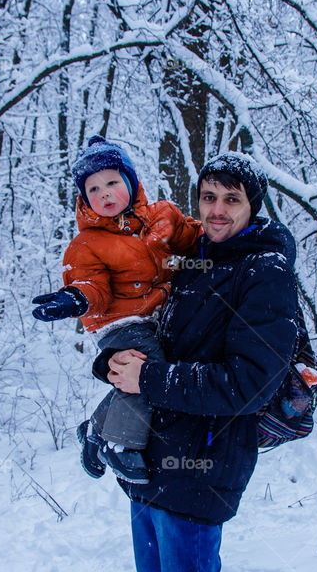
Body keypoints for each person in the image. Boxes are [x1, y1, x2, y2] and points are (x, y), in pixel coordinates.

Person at [98, 151, 299, 572]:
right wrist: (109, 363)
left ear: (253, 207)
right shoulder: (188, 260)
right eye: (208, 197)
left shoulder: (264, 271)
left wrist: (147, 378)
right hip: (150, 461)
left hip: (203, 465)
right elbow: (149, 334)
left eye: (232, 199)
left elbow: (249, 383)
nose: (217, 210)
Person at [31, 135, 200, 484]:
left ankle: (94, 430)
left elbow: (194, 238)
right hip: (116, 322)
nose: (104, 193)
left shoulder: (164, 217)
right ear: (84, 198)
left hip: (156, 315)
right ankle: (120, 445)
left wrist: (226, 237)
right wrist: (74, 298)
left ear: (131, 182)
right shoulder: (88, 243)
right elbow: (92, 285)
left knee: (144, 373)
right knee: (147, 370)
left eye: (111, 182)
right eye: (93, 189)